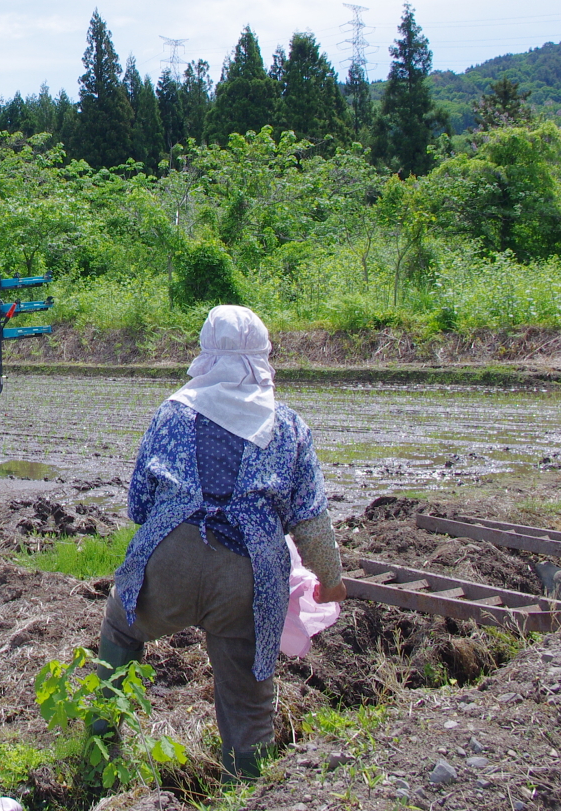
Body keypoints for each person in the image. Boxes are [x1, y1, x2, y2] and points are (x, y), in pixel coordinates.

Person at [99, 304, 345, 780]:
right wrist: (331, 582)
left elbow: (138, 504)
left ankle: (102, 745)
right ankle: (247, 783)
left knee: (122, 626)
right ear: (262, 358)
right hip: (247, 575)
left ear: (206, 356)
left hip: (171, 556)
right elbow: (311, 519)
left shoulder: (172, 413)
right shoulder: (289, 427)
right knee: (248, 697)